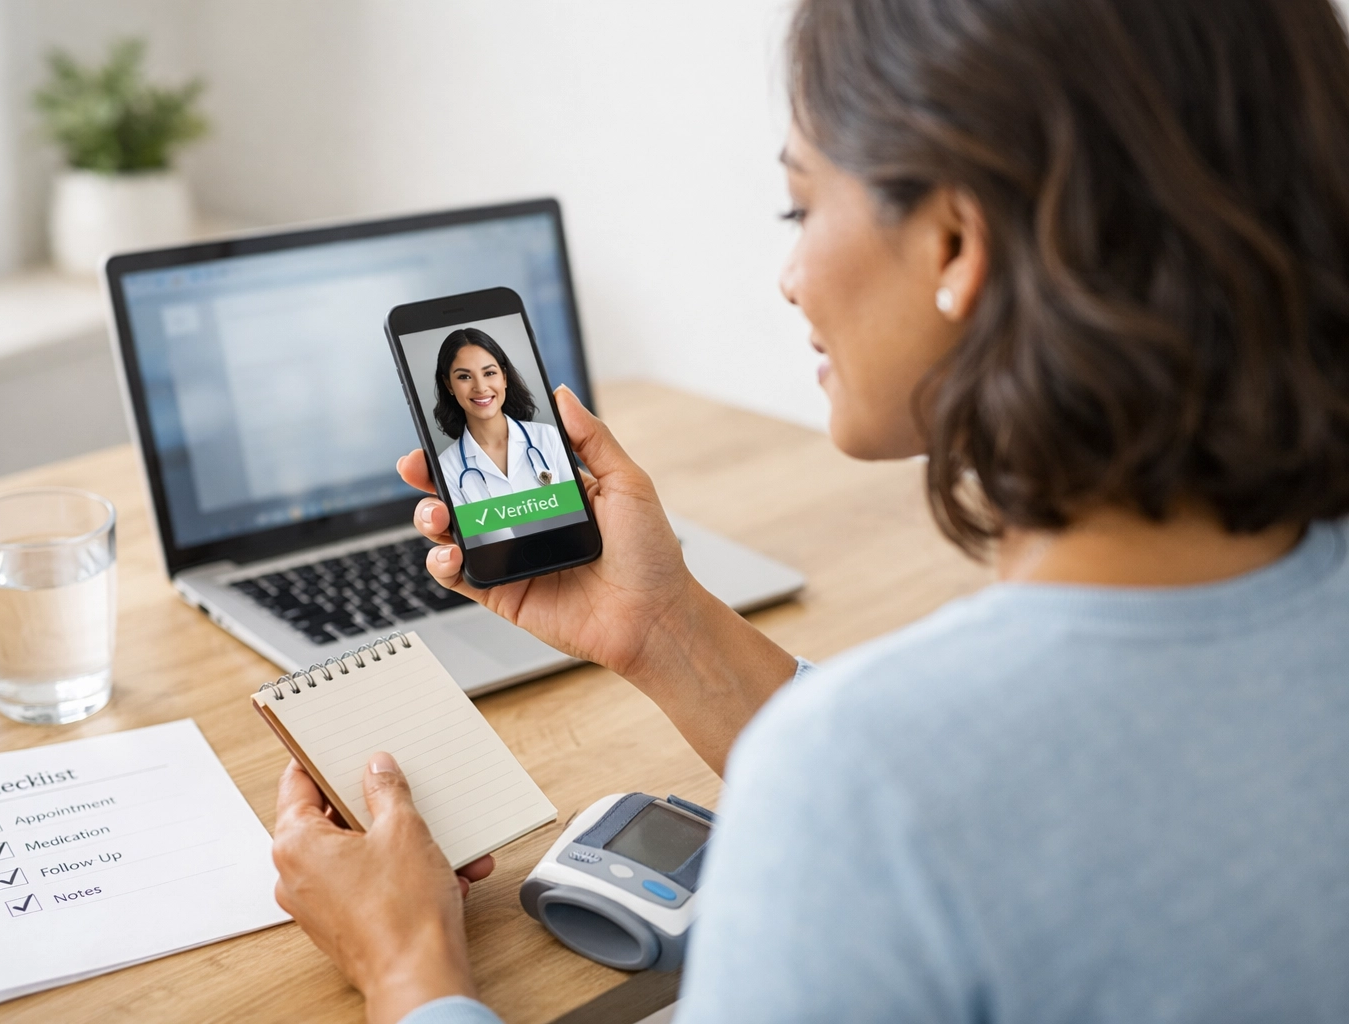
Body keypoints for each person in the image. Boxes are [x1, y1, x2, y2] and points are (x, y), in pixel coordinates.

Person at [271, 0, 1349, 1021]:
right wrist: (666, 627)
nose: (790, 275)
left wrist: (407, 964)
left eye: (803, 204)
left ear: (958, 245)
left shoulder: (865, 789)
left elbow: (904, 795)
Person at [431, 327, 573, 507]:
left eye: (489, 373)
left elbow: (576, 512)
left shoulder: (549, 438)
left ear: (504, 377)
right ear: (448, 385)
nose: (480, 387)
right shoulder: (446, 467)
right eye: (465, 376)